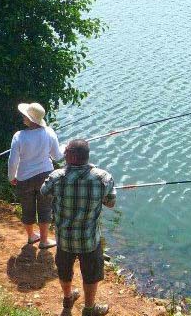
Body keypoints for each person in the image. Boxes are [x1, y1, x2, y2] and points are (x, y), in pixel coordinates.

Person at [41, 139, 116, 316]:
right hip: (89, 240)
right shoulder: (103, 178)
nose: (63, 154)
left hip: (64, 239)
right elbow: (111, 203)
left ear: (72, 156)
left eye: (66, 152)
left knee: (64, 271)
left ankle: (68, 299)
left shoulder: (56, 177)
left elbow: (44, 192)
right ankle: (89, 309)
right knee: (91, 274)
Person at [8, 102, 63, 248]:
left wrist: (11, 177)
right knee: (45, 208)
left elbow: (13, 161)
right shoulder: (49, 132)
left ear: (29, 118)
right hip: (45, 176)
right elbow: (57, 156)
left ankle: (31, 236)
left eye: (25, 115)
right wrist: (65, 147)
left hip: (24, 178)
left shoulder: (19, 136)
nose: (23, 117)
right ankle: (44, 241)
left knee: (27, 207)